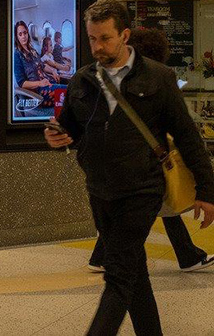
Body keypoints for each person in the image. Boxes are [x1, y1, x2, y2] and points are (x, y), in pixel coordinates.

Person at [45, 0, 214, 336]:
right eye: (92, 39)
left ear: (124, 34)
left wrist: (208, 191)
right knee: (134, 271)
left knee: (119, 275)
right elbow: (70, 127)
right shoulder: (82, 80)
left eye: (105, 38)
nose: (97, 47)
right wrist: (57, 135)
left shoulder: (159, 77)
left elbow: (187, 137)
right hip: (100, 189)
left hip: (142, 188)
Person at [87, 27, 214, 273]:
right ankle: (109, 256)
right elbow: (186, 136)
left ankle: (103, 256)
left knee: (161, 202)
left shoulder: (111, 80)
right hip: (149, 159)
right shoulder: (158, 81)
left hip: (124, 162)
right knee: (158, 201)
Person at [13, 20, 65, 109]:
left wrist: (53, 71)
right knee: (67, 91)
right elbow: (22, 83)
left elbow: (42, 65)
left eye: (25, 33)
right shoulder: (17, 55)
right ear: (17, 37)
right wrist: (40, 83)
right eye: (20, 34)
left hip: (47, 82)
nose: (23, 36)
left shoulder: (33, 50)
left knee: (71, 86)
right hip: (38, 92)